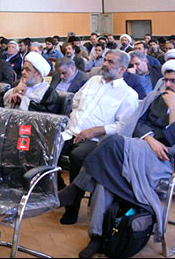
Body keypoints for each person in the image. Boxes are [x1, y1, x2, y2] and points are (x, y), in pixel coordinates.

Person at [57, 59, 175, 258]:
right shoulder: (154, 99)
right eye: (166, 80)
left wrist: (174, 109)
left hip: (164, 162)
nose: (168, 85)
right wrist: (149, 139)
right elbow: (136, 124)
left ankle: (75, 190)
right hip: (138, 151)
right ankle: (97, 237)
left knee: (111, 142)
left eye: (174, 81)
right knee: (105, 177)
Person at [56, 53, 139, 225]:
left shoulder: (128, 94)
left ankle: (72, 206)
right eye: (105, 60)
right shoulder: (93, 81)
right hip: (71, 132)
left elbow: (123, 126)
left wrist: (96, 130)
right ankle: (59, 191)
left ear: (122, 69)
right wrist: (74, 120)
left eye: (110, 62)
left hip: (97, 141)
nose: (105, 64)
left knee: (78, 156)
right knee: (46, 150)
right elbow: (76, 102)